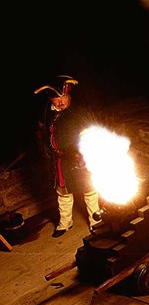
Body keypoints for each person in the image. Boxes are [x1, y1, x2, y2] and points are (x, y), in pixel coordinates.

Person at [35, 76, 102, 238]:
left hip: (81, 158)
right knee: (63, 193)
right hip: (60, 160)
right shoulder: (46, 113)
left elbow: (91, 133)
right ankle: (65, 222)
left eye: (62, 98)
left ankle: (97, 222)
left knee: (89, 190)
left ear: (69, 96)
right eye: (55, 99)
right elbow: (43, 134)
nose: (59, 102)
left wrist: (85, 154)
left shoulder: (79, 112)